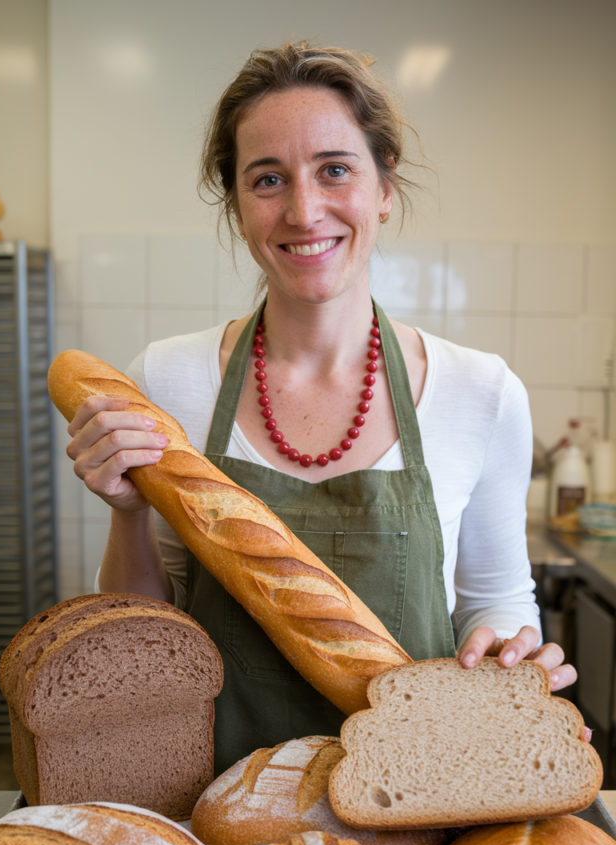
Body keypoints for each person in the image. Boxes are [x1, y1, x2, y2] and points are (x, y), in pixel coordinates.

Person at [65, 42, 578, 773]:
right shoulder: (167, 378)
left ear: (384, 187)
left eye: (335, 169)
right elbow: (146, 637)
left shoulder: (482, 392)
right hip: (212, 799)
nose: (304, 211)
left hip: (418, 798)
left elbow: (495, 599)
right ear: (238, 205)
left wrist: (507, 651)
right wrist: (127, 513)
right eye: (268, 179)